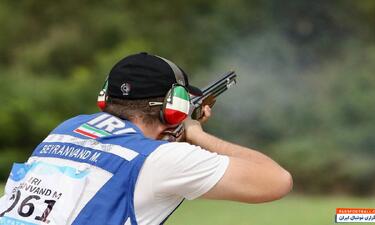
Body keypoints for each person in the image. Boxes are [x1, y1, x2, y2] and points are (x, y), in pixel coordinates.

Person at [0, 52, 292, 225]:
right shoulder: (160, 160)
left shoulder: (66, 129)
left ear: (106, 97)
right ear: (175, 108)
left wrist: (174, 136)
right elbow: (277, 180)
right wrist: (194, 133)